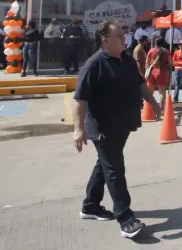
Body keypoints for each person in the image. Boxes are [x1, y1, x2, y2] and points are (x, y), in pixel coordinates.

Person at [73, 21, 160, 239]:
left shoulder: (127, 59)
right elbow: (80, 100)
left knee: (104, 165)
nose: (124, 39)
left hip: (122, 124)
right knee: (114, 168)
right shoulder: (94, 64)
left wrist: (154, 102)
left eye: (124, 35)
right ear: (104, 41)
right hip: (102, 126)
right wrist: (77, 129)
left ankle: (90, 206)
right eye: (119, 36)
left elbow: (140, 84)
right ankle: (125, 218)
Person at [145, 38, 171, 109]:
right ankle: (161, 110)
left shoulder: (151, 51)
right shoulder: (166, 51)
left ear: (155, 43)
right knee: (162, 93)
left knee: (150, 93)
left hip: (152, 72)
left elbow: (147, 62)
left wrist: (147, 71)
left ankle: (149, 109)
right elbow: (170, 63)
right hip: (162, 72)